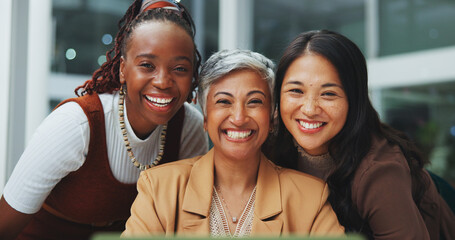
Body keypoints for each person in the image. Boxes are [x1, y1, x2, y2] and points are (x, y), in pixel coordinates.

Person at [0, 0, 208, 239]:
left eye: (179, 68)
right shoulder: (77, 125)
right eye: (147, 65)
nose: (162, 81)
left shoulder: (188, 128)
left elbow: (185, 227)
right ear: (122, 70)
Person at [122, 49, 345, 237]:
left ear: (271, 118)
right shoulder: (159, 189)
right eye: (224, 101)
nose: (238, 118)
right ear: (206, 118)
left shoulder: (309, 197)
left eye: (254, 101)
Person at [265, 29, 455, 239]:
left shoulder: (378, 170)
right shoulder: (270, 144)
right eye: (296, 91)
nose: (309, 109)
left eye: (329, 94)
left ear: (354, 101)